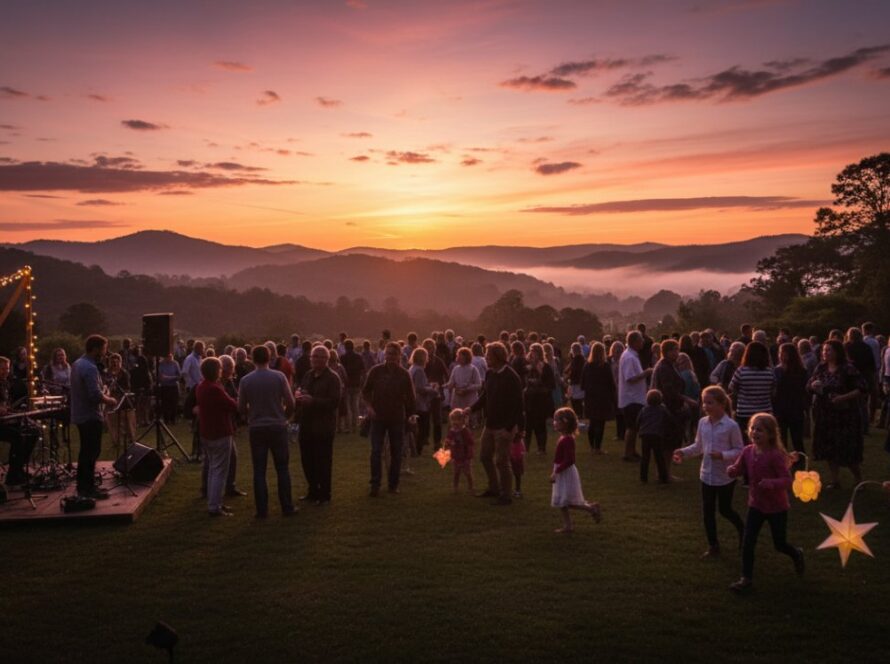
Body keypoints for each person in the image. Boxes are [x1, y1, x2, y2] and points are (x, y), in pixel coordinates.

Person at [726, 413, 804, 593]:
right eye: (752, 428)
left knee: (779, 543)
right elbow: (739, 469)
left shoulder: (775, 455)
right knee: (748, 541)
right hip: (756, 505)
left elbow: (787, 480)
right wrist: (732, 471)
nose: (754, 432)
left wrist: (771, 483)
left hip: (777, 507)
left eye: (759, 430)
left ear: (770, 434)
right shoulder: (747, 451)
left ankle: (796, 553)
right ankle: (745, 578)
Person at [673, 386, 745, 558]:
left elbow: (740, 450)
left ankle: (743, 530)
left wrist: (723, 455)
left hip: (725, 476)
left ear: (721, 404)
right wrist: (683, 451)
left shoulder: (731, 426)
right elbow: (698, 446)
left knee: (725, 509)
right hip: (706, 475)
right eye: (704, 402)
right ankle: (713, 545)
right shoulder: (702, 423)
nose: (705, 406)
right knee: (707, 512)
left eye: (710, 402)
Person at [237, 345, 296, 518]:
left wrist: (251, 413)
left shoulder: (245, 381)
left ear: (252, 359)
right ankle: (287, 507)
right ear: (269, 358)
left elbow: (240, 408)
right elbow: (291, 402)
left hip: (257, 428)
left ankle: (262, 511)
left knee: (259, 470)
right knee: (283, 468)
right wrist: (284, 417)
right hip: (277, 426)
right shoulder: (279, 377)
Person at [469, 342, 524, 506]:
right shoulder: (490, 373)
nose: (486, 358)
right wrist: (470, 409)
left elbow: (518, 405)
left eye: (489, 355)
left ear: (498, 357)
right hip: (490, 424)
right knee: (485, 457)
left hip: (504, 426)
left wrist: (510, 428)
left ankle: (506, 495)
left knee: (502, 461)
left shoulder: (512, 377)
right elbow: (486, 396)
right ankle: (494, 487)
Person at [808, 339, 868, 490]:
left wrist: (843, 397)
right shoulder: (821, 367)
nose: (825, 353)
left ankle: (858, 479)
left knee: (847, 449)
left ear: (837, 352)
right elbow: (809, 385)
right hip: (825, 414)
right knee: (829, 448)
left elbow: (862, 388)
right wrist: (813, 386)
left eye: (829, 350)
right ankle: (835, 480)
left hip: (845, 415)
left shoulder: (847, 368)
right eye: (824, 350)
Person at [362, 342, 416, 496]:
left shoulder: (404, 374)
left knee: (396, 452)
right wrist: (369, 407)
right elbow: (365, 392)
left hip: (397, 417)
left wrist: (412, 415)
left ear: (400, 355)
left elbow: (411, 398)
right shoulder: (375, 371)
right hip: (377, 417)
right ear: (384, 354)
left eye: (394, 354)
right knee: (376, 451)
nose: (391, 356)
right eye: (388, 353)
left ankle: (393, 484)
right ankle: (375, 484)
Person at [70, 335, 118, 499]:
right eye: (104, 349)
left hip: (80, 414)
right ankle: (88, 489)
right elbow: (94, 395)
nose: (105, 353)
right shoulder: (90, 368)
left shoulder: (77, 363)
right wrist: (109, 399)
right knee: (91, 452)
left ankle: (83, 487)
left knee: (85, 452)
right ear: (96, 348)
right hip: (90, 415)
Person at [296, 345, 342, 505]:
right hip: (307, 424)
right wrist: (299, 396)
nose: (316, 359)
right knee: (307, 460)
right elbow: (302, 390)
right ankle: (313, 490)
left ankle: (324, 494)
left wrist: (313, 401)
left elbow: (335, 402)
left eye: (321, 357)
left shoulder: (333, 378)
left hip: (323, 426)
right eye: (314, 357)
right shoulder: (308, 375)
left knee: (322, 461)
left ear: (327, 360)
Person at [196, 357, 238, 517]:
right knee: (219, 470)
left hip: (207, 432)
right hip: (219, 432)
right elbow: (232, 405)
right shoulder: (215, 388)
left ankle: (215, 502)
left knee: (213, 469)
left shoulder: (201, 386)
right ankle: (214, 506)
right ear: (216, 371)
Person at [550, 407, 602, 533]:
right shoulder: (563, 438)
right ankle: (569, 525)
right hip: (561, 470)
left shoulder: (568, 440)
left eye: (557, 420)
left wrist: (556, 471)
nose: (554, 423)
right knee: (562, 501)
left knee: (566, 500)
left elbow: (570, 460)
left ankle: (591, 509)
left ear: (565, 422)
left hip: (565, 472)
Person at [728, 341, 775, 439]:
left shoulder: (741, 371)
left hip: (744, 412)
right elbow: (773, 391)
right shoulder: (769, 372)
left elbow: (731, 387)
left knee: (745, 441)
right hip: (765, 411)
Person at [618, 331, 652, 461]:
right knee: (631, 427)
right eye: (640, 340)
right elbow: (630, 378)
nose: (643, 342)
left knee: (634, 427)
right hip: (631, 398)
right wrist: (646, 373)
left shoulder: (632, 355)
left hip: (635, 397)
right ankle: (628, 453)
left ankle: (632, 451)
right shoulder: (629, 357)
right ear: (634, 342)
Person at [773, 342, 809, 465]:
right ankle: (782, 462)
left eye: (784, 353)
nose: (782, 355)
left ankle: (800, 462)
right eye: (780, 353)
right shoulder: (777, 370)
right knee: (781, 439)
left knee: (797, 439)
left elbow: (804, 390)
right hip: (780, 408)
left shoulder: (800, 371)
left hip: (795, 407)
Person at [580, 342, 616, 454]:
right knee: (600, 423)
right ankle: (597, 447)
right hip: (603, 397)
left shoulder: (587, 366)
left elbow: (582, 383)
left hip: (590, 397)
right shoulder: (605, 366)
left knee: (592, 422)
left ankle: (592, 446)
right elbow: (611, 383)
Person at [523, 343, 556, 455]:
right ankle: (525, 448)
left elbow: (551, 385)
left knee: (540, 425)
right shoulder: (527, 367)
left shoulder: (545, 367)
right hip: (529, 399)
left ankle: (541, 448)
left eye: (535, 352)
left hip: (541, 400)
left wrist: (539, 380)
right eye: (531, 352)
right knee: (527, 425)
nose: (532, 355)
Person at [408, 348, 438, 456]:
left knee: (414, 427)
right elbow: (420, 388)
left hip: (413, 401)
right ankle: (417, 449)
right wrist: (432, 389)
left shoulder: (412, 368)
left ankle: (413, 448)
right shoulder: (419, 370)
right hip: (420, 403)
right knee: (422, 428)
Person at [638, 389, 671, 483]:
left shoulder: (644, 409)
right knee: (659, 456)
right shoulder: (662, 409)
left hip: (645, 434)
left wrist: (640, 428)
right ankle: (663, 477)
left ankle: (643, 478)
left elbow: (638, 420)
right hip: (657, 434)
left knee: (645, 457)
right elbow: (669, 419)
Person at [444, 408, 474, 494]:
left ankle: (470, 487)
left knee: (467, 472)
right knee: (456, 473)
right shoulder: (452, 431)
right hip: (456, 455)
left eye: (458, 419)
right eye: (453, 420)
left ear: (463, 421)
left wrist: (461, 442)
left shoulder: (465, 431)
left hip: (465, 455)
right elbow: (448, 440)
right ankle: (455, 487)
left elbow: (470, 442)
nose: (455, 422)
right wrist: (447, 444)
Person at [340, 339, 365, 434]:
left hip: (347, 384)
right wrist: (363, 382)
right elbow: (363, 371)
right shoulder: (358, 357)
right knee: (355, 405)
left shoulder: (343, 358)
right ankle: (355, 424)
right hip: (357, 383)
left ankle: (348, 425)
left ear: (345, 347)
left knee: (348, 406)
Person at [445, 347, 482, 411]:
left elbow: (479, 385)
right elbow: (451, 383)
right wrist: (442, 386)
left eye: (461, 356)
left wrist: (467, 389)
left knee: (470, 418)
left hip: (470, 399)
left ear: (466, 357)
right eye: (458, 355)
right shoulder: (456, 369)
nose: (459, 357)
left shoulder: (473, 369)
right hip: (458, 399)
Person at [157, 353, 181, 424]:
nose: (169, 358)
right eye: (167, 357)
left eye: (170, 357)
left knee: (174, 403)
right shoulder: (161, 364)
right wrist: (172, 377)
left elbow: (179, 376)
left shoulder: (175, 364)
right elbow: (161, 377)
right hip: (165, 387)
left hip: (173, 386)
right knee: (165, 403)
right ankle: (166, 420)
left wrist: (168, 378)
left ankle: (173, 419)